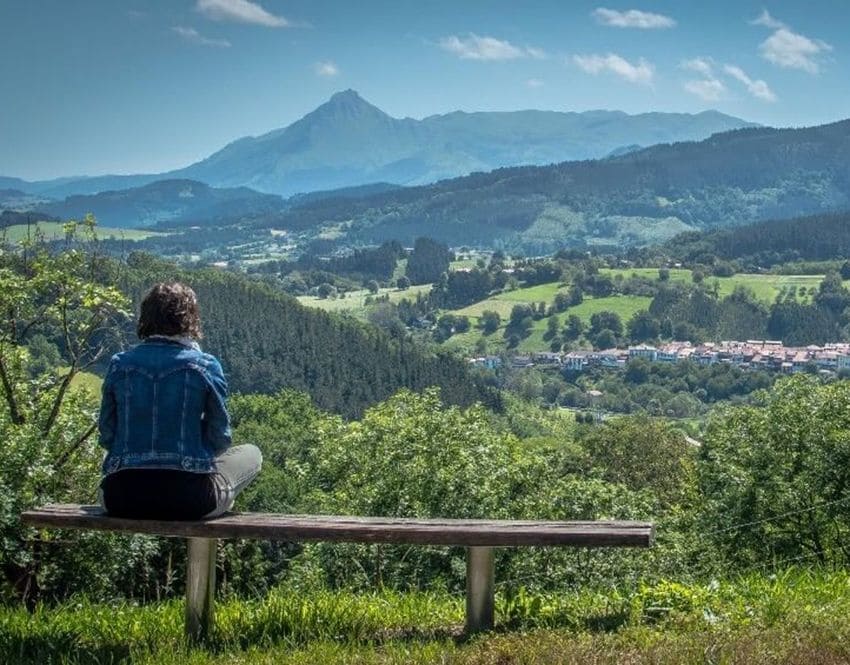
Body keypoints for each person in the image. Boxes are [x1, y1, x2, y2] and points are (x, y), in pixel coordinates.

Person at [97, 281, 262, 520]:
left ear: (145, 317)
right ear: (190, 318)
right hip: (192, 500)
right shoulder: (204, 365)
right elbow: (221, 438)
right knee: (252, 453)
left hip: (120, 498)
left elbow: (107, 434)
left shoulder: (119, 364)